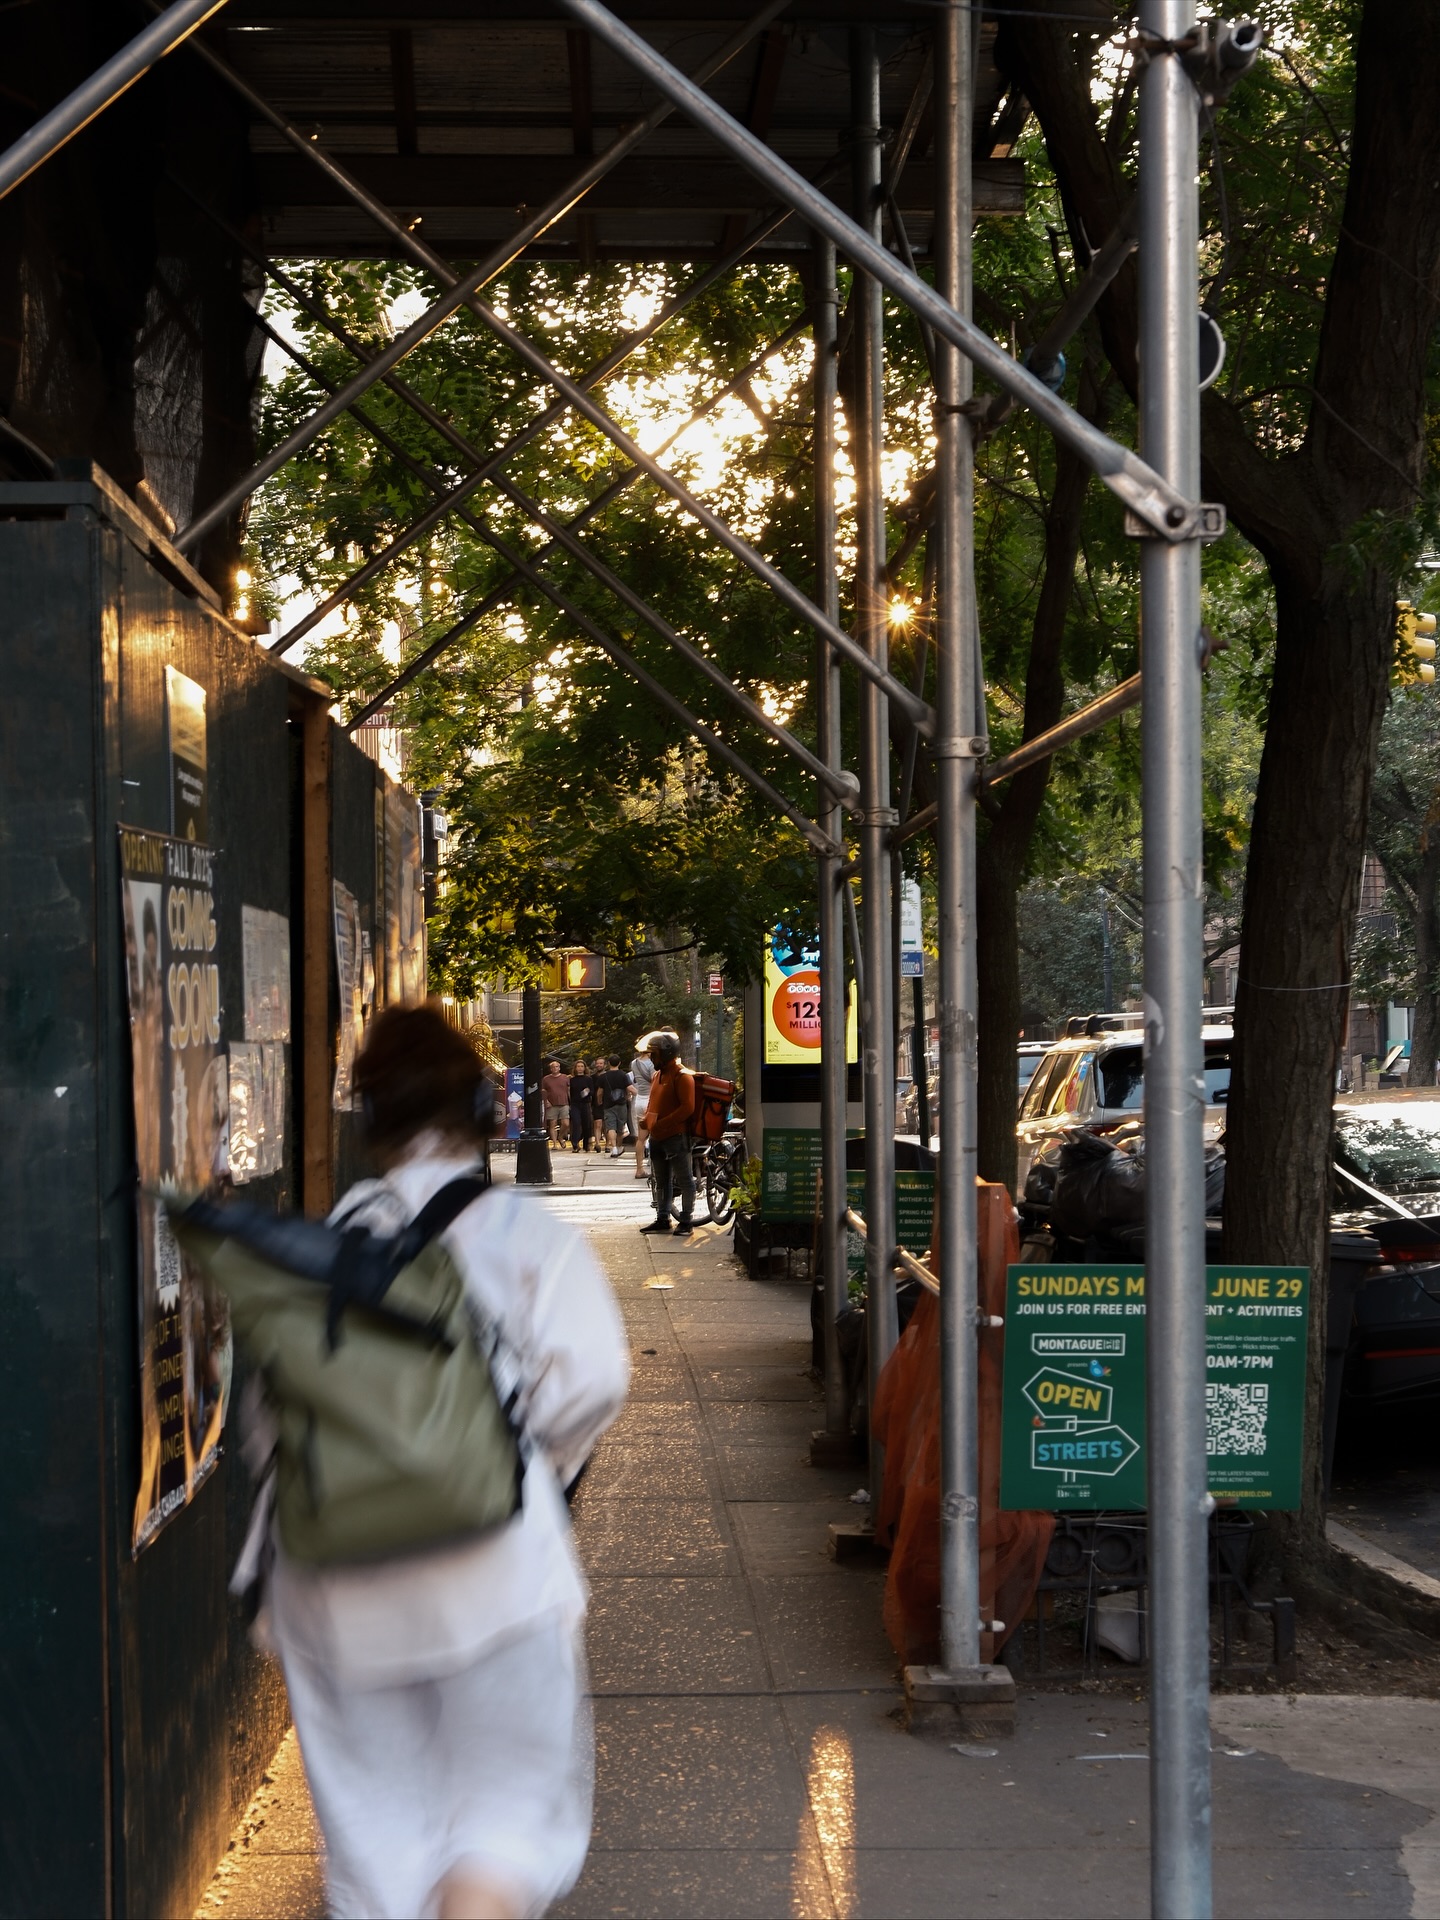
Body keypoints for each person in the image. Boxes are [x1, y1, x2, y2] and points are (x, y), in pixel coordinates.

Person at [257, 1004, 628, 1920]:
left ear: (370, 1116)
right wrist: (508, 1464)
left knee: (380, 1846)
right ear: (481, 1108)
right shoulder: (527, 1237)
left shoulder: (319, 1250)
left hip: (333, 1591)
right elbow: (592, 1380)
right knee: (504, 1825)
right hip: (494, 1578)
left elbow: (268, 1420)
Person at [639, 1030, 695, 1236]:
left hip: (676, 1137)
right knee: (661, 1181)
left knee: (685, 1180)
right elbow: (653, 1103)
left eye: (654, 1054)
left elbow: (687, 1108)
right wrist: (648, 1120)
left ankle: (686, 1220)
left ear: (666, 1053)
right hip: (657, 1136)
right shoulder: (656, 1075)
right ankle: (663, 1217)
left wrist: (663, 1123)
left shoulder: (682, 1076)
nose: (652, 1058)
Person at [628, 1040, 655, 1179]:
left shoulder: (634, 1063)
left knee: (641, 1138)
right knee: (656, 1135)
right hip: (651, 1100)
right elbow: (654, 1081)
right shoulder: (651, 1064)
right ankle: (656, 1166)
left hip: (639, 1099)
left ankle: (639, 1169)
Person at [597, 1056, 631, 1159]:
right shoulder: (623, 1075)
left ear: (608, 1063)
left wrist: (599, 1100)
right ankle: (619, 1146)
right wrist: (628, 1097)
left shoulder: (603, 1076)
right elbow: (628, 1089)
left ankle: (614, 1147)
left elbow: (600, 1092)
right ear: (619, 1063)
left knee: (611, 1127)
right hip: (621, 1104)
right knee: (620, 1127)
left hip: (608, 1104)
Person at [540, 1059, 569, 1147]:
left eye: (556, 1066)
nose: (555, 1068)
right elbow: (542, 1090)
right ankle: (555, 1144)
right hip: (551, 1104)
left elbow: (569, 1090)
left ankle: (560, 1137)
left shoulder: (565, 1077)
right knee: (553, 1124)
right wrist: (546, 1101)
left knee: (566, 1123)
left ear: (559, 1068)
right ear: (550, 1069)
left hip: (564, 1103)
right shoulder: (546, 1079)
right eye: (553, 1067)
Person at [567, 1060, 594, 1153]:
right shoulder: (572, 1080)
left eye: (581, 1066)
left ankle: (586, 1145)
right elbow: (569, 1093)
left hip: (585, 1103)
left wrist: (587, 1092)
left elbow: (592, 1091)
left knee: (586, 1124)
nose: (580, 1068)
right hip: (575, 1104)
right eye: (578, 1066)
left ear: (584, 1068)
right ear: (575, 1068)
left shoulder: (588, 1079)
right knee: (576, 1123)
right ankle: (575, 1144)